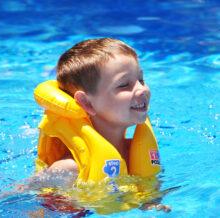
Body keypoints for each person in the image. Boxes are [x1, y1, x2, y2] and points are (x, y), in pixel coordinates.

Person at [26, 38, 171, 212]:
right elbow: (25, 197)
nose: (142, 89)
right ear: (87, 103)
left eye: (141, 79)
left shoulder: (137, 151)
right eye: (124, 85)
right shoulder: (69, 169)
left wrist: (151, 202)